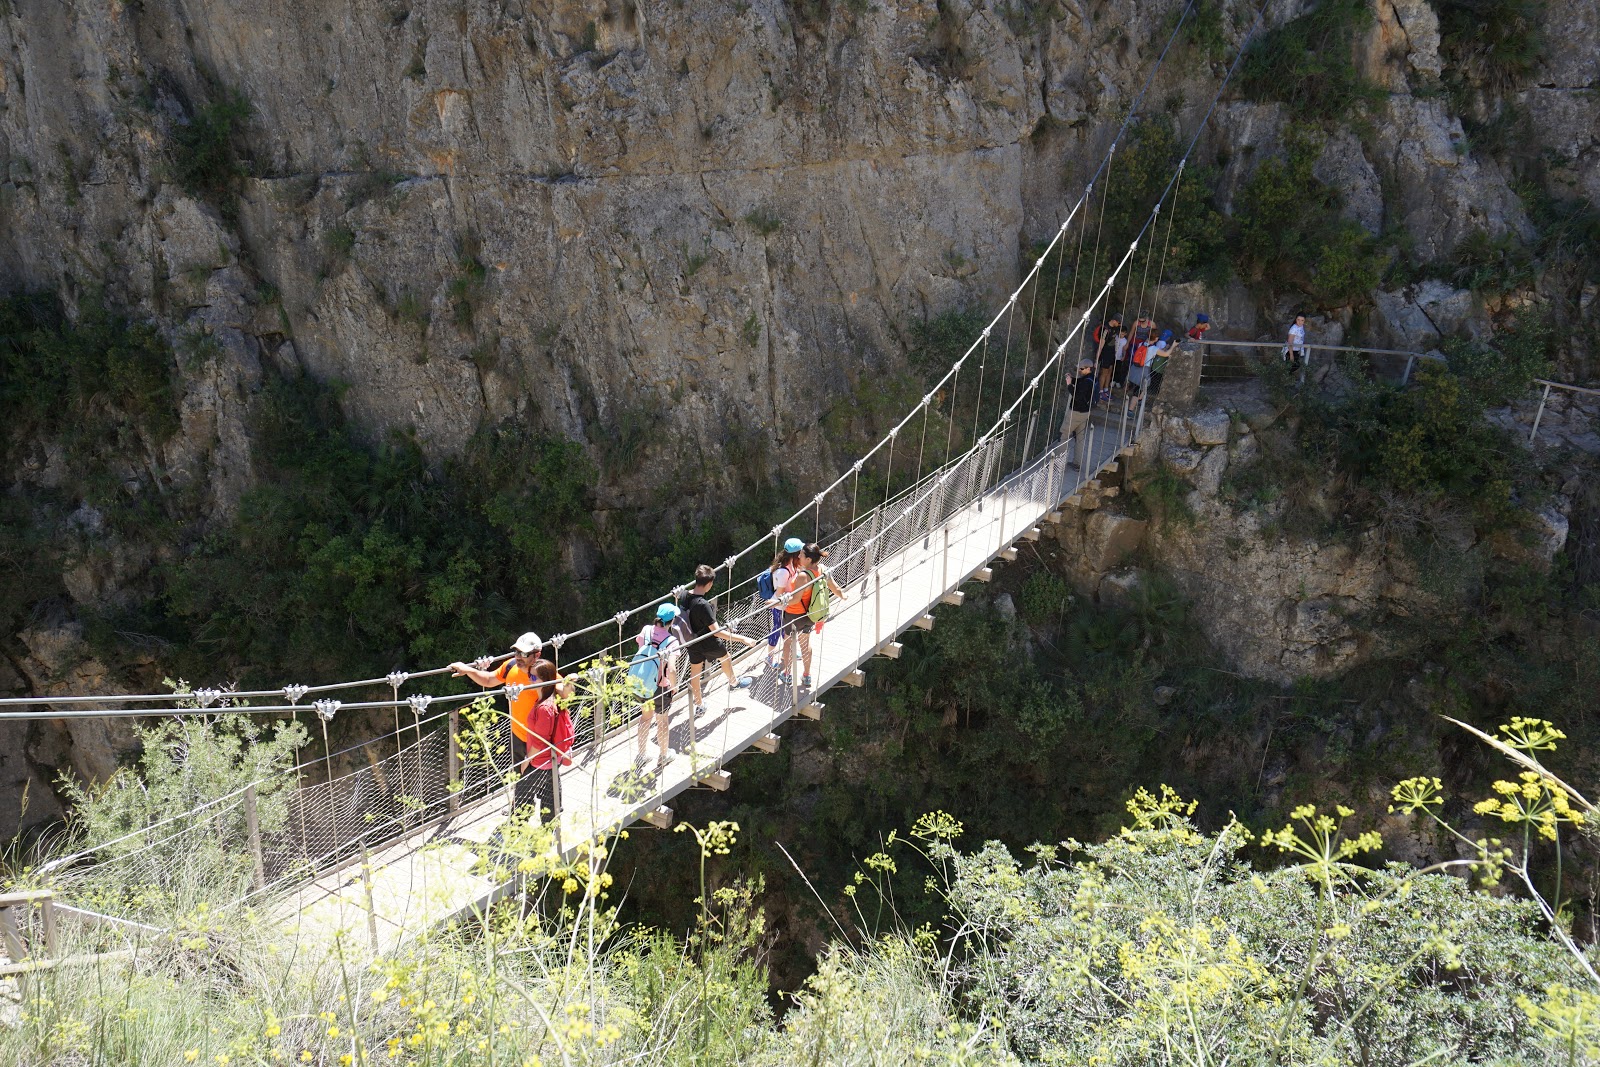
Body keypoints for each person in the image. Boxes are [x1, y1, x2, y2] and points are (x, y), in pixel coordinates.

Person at [449, 632, 548, 769]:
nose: (519, 657)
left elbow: (564, 692)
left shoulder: (545, 673)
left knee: (546, 783)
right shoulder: (511, 666)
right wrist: (468, 670)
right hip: (517, 737)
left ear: (537, 655)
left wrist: (569, 684)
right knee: (520, 783)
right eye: (516, 652)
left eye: (524, 654)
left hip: (540, 740)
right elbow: (489, 680)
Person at [679, 564, 758, 718]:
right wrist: (743, 639)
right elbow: (717, 632)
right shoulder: (703, 605)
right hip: (708, 641)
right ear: (709, 584)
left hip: (691, 641)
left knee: (695, 674)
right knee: (726, 657)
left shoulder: (683, 595)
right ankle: (734, 683)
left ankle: (700, 705)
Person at [513, 659, 573, 822]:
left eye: (533, 678)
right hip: (552, 758)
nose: (529, 680)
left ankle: (516, 829)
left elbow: (540, 741)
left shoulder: (545, 707)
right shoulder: (549, 699)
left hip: (540, 760)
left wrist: (527, 760)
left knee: (522, 795)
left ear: (545, 681)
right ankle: (550, 825)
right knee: (550, 790)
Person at [632, 604, 683, 766]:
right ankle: (663, 756)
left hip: (641, 682)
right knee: (662, 721)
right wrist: (674, 686)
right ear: (672, 621)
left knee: (645, 717)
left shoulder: (646, 630)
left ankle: (641, 755)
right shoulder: (671, 641)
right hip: (660, 687)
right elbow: (673, 670)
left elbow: (641, 646)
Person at [760, 540, 803, 670]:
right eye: (800, 553)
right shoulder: (783, 571)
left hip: (788, 604)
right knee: (778, 630)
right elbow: (779, 594)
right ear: (795, 555)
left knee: (790, 629)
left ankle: (790, 651)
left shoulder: (792, 566)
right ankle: (769, 657)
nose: (802, 555)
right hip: (780, 606)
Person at [1060, 359, 1096, 469]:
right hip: (1085, 413)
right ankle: (1077, 463)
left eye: (1081, 369)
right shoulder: (1091, 378)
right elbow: (1080, 383)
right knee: (1079, 438)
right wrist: (1072, 379)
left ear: (1088, 368)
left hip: (1076, 413)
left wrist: (1069, 385)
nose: (1079, 370)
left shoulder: (1086, 382)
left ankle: (1058, 465)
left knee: (1064, 436)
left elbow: (1078, 396)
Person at [1094, 314, 1122, 393]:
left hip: (1112, 351)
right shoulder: (1105, 330)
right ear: (1114, 321)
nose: (1119, 325)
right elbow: (1101, 345)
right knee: (1104, 372)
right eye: (1119, 323)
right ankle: (1100, 390)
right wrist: (1096, 360)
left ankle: (1106, 389)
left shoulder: (1115, 327)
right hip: (1105, 352)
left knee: (1110, 370)